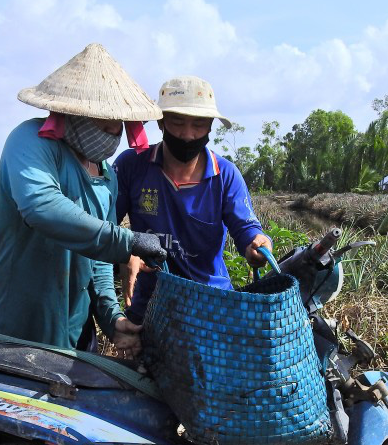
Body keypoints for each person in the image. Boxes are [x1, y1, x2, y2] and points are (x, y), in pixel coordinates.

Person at [0, 43, 169, 355]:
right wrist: (127, 242)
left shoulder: (108, 175)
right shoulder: (31, 142)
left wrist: (112, 317)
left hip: (75, 336)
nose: (113, 130)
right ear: (73, 113)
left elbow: (97, 259)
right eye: (102, 119)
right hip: (17, 331)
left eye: (118, 122)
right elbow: (42, 207)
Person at [113, 75, 272, 323]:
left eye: (199, 125)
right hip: (149, 304)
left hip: (211, 304)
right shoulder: (132, 165)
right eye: (177, 123)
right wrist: (126, 252)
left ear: (210, 126)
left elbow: (246, 229)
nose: (187, 135)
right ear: (161, 123)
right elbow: (104, 227)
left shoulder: (225, 175)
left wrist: (257, 244)